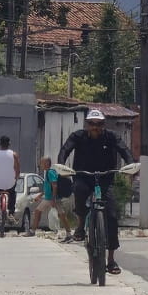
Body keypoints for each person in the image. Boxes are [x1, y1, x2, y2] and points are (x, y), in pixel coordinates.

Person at [57, 108, 134, 274]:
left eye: (98, 124)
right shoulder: (77, 136)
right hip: (83, 176)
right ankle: (80, 225)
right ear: (87, 124)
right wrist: (61, 165)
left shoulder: (111, 137)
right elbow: (65, 150)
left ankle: (111, 260)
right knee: (79, 191)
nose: (95, 127)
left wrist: (130, 165)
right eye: (92, 124)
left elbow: (124, 150)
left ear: (103, 125)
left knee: (112, 216)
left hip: (105, 178)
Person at [29, 155, 76, 240]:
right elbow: (48, 188)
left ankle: (69, 234)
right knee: (58, 214)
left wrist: (53, 199)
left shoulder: (50, 172)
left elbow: (54, 186)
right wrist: (39, 196)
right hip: (49, 198)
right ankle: (69, 234)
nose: (40, 165)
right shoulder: (48, 173)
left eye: (41, 163)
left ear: (47, 163)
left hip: (52, 199)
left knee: (61, 215)